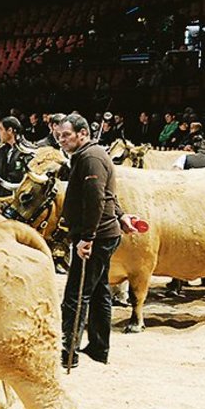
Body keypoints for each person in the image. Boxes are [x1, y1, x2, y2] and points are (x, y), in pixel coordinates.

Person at [57, 113, 139, 366]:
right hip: (103, 233)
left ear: (83, 134)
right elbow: (108, 196)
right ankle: (99, 348)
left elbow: (96, 200)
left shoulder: (90, 158)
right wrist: (122, 216)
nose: (61, 140)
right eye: (59, 136)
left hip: (96, 236)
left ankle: (69, 353)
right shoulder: (89, 155)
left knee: (76, 294)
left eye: (66, 135)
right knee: (100, 291)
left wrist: (87, 238)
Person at [0, 115, 33, 198]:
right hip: (0, 197)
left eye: (0, 129)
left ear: (10, 130)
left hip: (19, 199)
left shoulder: (27, 152)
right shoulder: (0, 151)